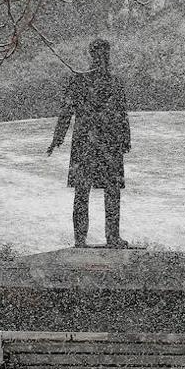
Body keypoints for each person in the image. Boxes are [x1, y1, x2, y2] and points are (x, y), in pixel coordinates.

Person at [47, 39, 131, 248]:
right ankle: (84, 239)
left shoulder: (111, 82)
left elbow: (122, 114)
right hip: (93, 143)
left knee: (105, 191)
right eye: (100, 54)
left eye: (105, 54)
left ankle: (107, 237)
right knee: (86, 192)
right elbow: (67, 111)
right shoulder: (82, 82)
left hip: (101, 144)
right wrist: (58, 138)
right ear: (94, 56)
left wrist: (125, 139)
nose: (103, 58)